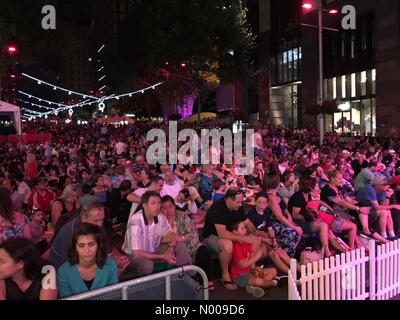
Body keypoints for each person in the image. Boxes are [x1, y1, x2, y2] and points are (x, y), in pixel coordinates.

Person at [202, 188, 268, 291]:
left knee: (254, 238)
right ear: (228, 199)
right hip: (211, 237)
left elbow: (246, 222)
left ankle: (250, 270)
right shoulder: (217, 208)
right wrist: (245, 238)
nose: (241, 205)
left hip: (230, 233)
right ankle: (225, 274)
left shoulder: (238, 206)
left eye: (241, 202)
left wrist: (255, 232)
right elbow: (222, 233)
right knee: (228, 244)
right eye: (238, 202)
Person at [121, 191, 191, 279]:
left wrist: (170, 249)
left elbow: (171, 234)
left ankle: (187, 277)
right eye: (153, 203)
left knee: (180, 245)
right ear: (144, 206)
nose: (157, 207)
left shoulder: (160, 216)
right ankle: (147, 290)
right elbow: (137, 254)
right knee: (147, 264)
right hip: (133, 256)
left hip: (153, 249)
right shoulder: (136, 221)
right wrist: (162, 256)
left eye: (158, 203)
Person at [161, 196, 215, 290]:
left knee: (203, 250)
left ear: (174, 206)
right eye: (164, 207)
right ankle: (188, 280)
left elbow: (193, 232)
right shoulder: (160, 220)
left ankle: (206, 280)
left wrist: (182, 238)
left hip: (189, 244)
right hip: (171, 248)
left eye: (170, 206)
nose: (168, 210)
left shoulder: (182, 215)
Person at [57, 223, 118, 298]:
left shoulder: (110, 264)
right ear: (75, 247)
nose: (86, 250)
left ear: (99, 245)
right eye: (81, 246)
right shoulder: (64, 272)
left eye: (91, 244)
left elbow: (115, 296)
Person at [50, 201, 107, 269]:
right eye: (95, 220)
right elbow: (72, 262)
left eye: (102, 219)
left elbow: (105, 243)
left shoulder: (96, 226)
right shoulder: (71, 233)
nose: (100, 224)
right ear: (83, 217)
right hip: (63, 266)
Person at [229, 221, 278, 298]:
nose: (245, 230)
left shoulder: (246, 242)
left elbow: (250, 258)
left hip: (249, 272)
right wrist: (256, 257)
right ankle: (273, 283)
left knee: (273, 271)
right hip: (239, 276)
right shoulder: (236, 246)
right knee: (260, 281)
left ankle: (252, 287)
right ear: (234, 232)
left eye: (244, 228)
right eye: (242, 229)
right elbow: (241, 265)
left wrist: (255, 269)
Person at [288, 177, 332, 257]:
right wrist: (309, 218)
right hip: (298, 222)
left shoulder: (308, 195)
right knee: (323, 225)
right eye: (314, 185)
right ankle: (326, 251)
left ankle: (325, 249)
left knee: (325, 223)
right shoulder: (297, 197)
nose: (315, 186)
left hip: (307, 220)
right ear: (309, 186)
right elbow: (295, 215)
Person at [356, 176, 400, 242]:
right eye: (385, 184)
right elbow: (377, 207)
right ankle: (384, 236)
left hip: (370, 209)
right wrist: (394, 206)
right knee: (384, 212)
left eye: (388, 184)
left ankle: (392, 235)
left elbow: (384, 206)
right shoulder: (370, 189)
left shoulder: (383, 190)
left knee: (387, 211)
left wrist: (388, 196)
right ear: (377, 185)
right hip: (360, 211)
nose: (387, 186)